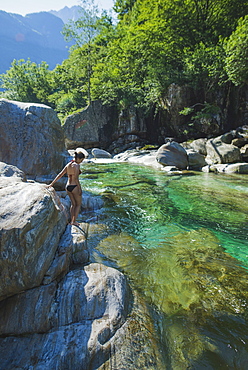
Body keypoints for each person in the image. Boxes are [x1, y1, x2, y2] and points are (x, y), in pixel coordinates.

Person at [48, 150, 85, 226]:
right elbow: (76, 179)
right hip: (75, 186)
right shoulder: (77, 165)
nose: (81, 162)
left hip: (67, 186)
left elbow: (60, 174)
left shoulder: (68, 164)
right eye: (81, 160)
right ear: (79, 158)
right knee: (78, 204)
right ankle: (73, 221)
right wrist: (80, 189)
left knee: (73, 204)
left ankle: (71, 220)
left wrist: (51, 184)